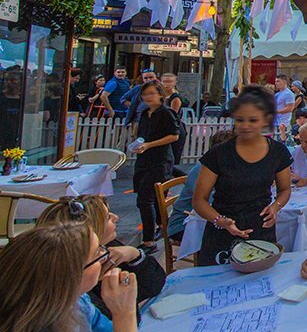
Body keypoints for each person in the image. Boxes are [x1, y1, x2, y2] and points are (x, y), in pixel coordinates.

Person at [193, 86, 293, 266]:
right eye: (240, 120)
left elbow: (285, 189)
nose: (245, 126)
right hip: (223, 229)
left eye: (252, 120)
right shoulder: (218, 154)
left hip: (261, 228)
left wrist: (276, 207)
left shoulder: (278, 152)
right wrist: (220, 221)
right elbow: (199, 200)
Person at [37, 195, 166, 319]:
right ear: (93, 229)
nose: (116, 217)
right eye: (108, 217)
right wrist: (124, 310)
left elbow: (155, 283)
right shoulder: (74, 297)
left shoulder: (109, 248)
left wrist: (134, 254)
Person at [0, 221, 138, 332]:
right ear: (73, 275)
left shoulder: (78, 301)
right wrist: (125, 313)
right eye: (97, 253)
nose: (105, 254)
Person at [132, 80, 179, 255]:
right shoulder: (144, 114)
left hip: (159, 161)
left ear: (160, 94)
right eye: (145, 94)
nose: (148, 97)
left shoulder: (166, 113)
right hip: (144, 159)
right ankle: (161, 225)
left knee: (146, 199)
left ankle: (149, 239)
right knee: (150, 197)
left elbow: (174, 136)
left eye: (152, 93)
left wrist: (150, 145)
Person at [167, 130, 235, 243]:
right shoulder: (202, 170)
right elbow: (209, 202)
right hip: (184, 224)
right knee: (228, 237)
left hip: (208, 221)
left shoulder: (228, 168)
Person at [160, 73, 186, 174]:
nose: (167, 84)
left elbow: (172, 115)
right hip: (164, 128)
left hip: (174, 128)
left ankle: (183, 178)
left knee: (170, 160)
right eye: (165, 81)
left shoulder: (175, 98)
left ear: (175, 83)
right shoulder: (160, 96)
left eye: (170, 82)